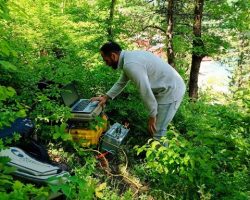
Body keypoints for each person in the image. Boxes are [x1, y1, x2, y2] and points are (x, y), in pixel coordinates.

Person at [92, 41, 186, 141]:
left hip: (171, 91)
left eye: (105, 60)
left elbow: (145, 91)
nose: (106, 63)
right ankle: (156, 152)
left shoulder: (131, 64)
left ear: (113, 55)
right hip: (167, 88)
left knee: (158, 131)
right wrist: (106, 97)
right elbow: (121, 82)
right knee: (155, 129)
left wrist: (152, 115)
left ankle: (163, 155)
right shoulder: (129, 59)